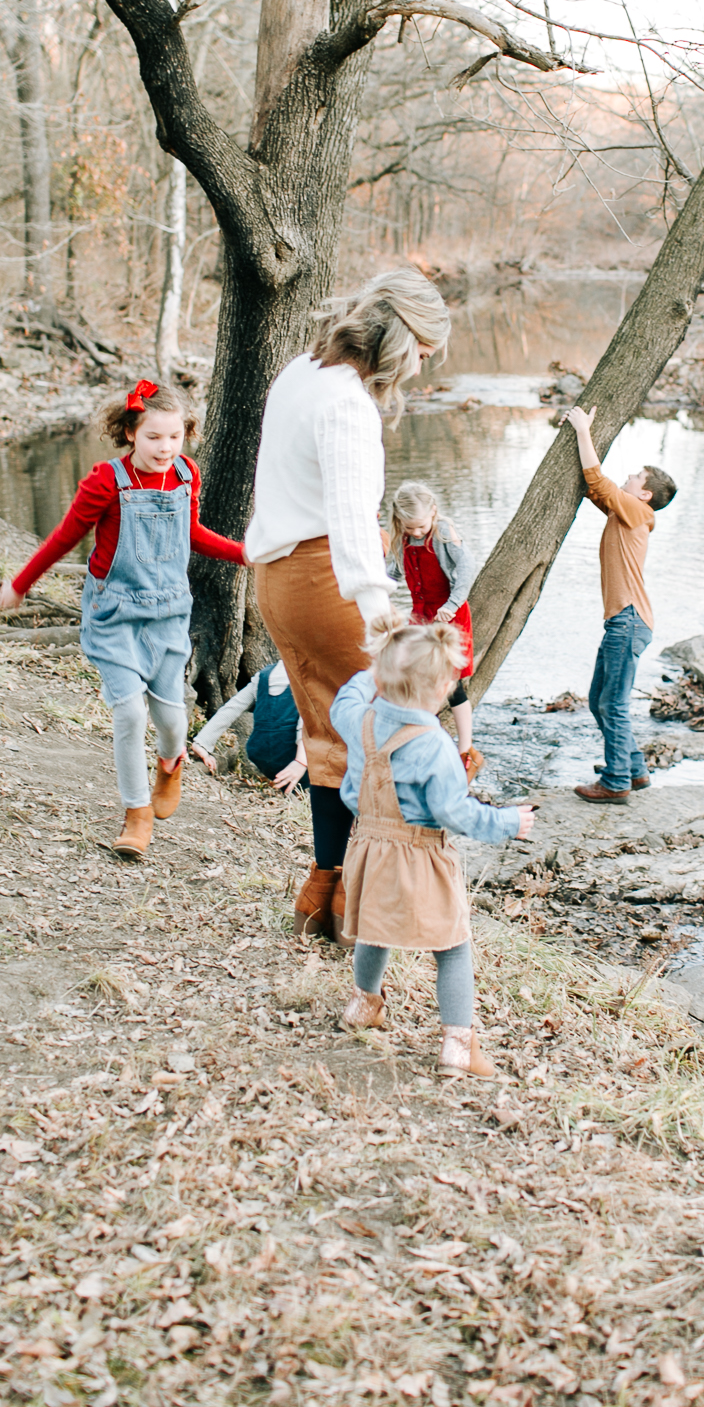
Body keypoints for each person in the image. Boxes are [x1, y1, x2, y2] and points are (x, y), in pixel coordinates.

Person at [247, 267, 452, 943]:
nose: (420, 369)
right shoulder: (346, 405)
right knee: (383, 744)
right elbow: (351, 523)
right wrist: (383, 618)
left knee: (328, 740)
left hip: (277, 582)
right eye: (422, 353)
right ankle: (369, 905)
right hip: (326, 580)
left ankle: (325, 895)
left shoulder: (300, 372)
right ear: (400, 339)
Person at [0, 380, 246, 859]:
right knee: (130, 713)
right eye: (154, 437)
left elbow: (191, 533)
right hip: (114, 615)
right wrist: (22, 582)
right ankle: (136, 814)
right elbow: (65, 535)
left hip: (170, 614)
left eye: (174, 437)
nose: (165, 448)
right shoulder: (106, 481)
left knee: (173, 721)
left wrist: (243, 554)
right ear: (132, 432)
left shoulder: (185, 476)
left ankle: (171, 762)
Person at [331, 612, 534, 1078]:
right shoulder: (436, 745)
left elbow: (346, 695)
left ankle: (364, 1005)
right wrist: (506, 822)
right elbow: (454, 813)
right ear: (444, 689)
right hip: (422, 854)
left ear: (382, 674)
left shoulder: (357, 718)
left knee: (374, 928)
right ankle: (458, 1046)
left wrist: (376, 672)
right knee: (453, 944)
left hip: (368, 847)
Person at [561, 404, 677, 804]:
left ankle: (615, 782)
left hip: (628, 620)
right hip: (623, 621)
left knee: (612, 703)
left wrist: (582, 429)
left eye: (636, 476)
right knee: (600, 701)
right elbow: (595, 488)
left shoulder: (636, 509)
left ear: (644, 493)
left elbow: (598, 478)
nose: (628, 476)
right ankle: (635, 770)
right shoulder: (628, 512)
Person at [387, 479, 483, 781]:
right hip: (422, 617)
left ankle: (466, 750)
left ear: (433, 512)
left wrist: (452, 604)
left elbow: (466, 569)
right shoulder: (400, 538)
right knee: (416, 679)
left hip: (449, 618)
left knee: (453, 685)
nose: (416, 533)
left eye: (420, 527)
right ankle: (422, 742)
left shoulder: (442, 532)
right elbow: (391, 573)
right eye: (409, 527)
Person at [189, 661, 307, 793]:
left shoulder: (264, 675)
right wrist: (301, 761)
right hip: (291, 753)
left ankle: (294, 792)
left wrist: (203, 742)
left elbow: (233, 707)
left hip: (260, 752)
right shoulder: (309, 675)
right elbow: (308, 720)